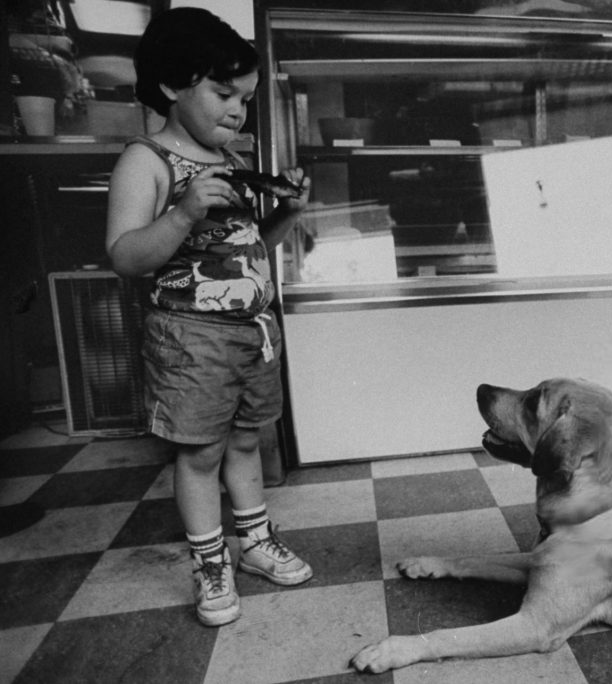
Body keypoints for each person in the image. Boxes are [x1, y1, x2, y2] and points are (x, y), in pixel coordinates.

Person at [106, 7, 313, 627]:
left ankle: (255, 542)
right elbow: (125, 257)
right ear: (172, 85)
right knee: (199, 454)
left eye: (245, 99)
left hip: (252, 333)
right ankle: (210, 561)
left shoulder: (232, 159)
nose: (237, 111)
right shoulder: (146, 161)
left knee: (247, 440)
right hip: (190, 338)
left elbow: (246, 249)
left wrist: (286, 214)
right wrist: (182, 213)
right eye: (224, 94)